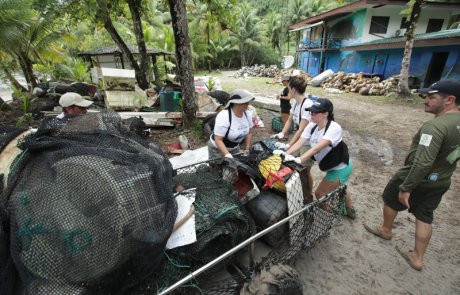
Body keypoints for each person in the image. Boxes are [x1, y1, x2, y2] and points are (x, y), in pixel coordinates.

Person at [364, 79, 460, 271]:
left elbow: (423, 162)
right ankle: (417, 258)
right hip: (441, 180)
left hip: (416, 178)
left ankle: (386, 230)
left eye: (432, 97)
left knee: (390, 199)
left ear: (449, 100)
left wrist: (406, 187)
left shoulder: (434, 127)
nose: (425, 100)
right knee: (425, 216)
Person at [276, 98, 356, 218]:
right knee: (340, 186)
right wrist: (286, 154)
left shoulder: (334, 128)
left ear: (325, 114)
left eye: (315, 112)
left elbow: (316, 148)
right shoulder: (312, 125)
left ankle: (333, 214)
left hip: (341, 167)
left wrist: (299, 159)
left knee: (319, 193)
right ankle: (350, 211)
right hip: (332, 166)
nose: (311, 114)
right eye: (311, 112)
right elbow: (300, 142)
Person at [271, 75, 315, 198]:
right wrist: (282, 133)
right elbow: (290, 120)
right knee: (289, 163)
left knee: (305, 171)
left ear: (294, 89)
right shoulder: (295, 102)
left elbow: (301, 130)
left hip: (309, 143)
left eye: (289, 87)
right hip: (300, 140)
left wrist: (289, 145)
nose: (287, 89)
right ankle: (294, 190)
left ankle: (307, 196)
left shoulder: (307, 105)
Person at [208, 89, 255, 159]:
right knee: (219, 167)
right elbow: (218, 139)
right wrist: (227, 155)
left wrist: (247, 148)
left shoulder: (247, 114)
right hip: (217, 148)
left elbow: (250, 132)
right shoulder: (224, 116)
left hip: (234, 147)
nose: (247, 104)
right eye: (245, 102)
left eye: (248, 102)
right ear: (236, 103)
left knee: (237, 167)